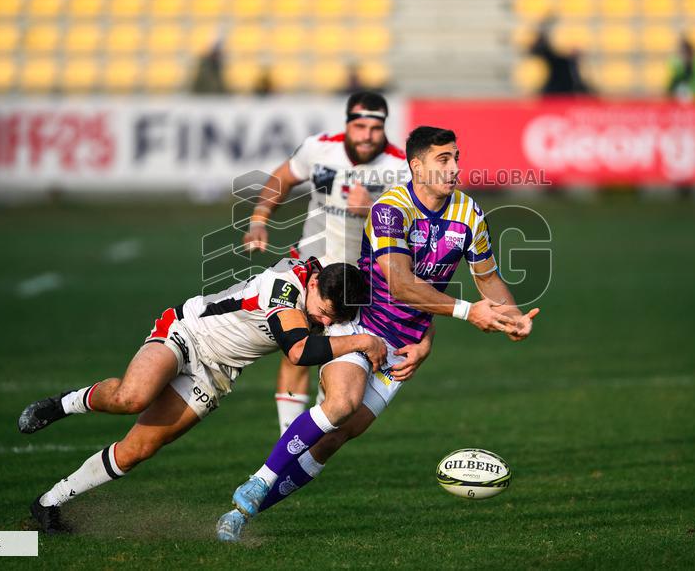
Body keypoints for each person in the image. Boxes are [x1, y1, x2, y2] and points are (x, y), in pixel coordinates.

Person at [216, 126, 539, 541]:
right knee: (342, 403)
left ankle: (243, 514)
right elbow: (401, 284)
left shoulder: (470, 215)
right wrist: (465, 311)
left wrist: (513, 317)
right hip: (361, 325)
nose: (455, 167)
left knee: (334, 441)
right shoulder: (391, 209)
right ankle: (259, 481)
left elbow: (488, 278)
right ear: (416, 165)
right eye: (444, 160)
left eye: (457, 157)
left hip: (403, 349)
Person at [17, 257, 390, 534]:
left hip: (216, 374)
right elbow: (297, 353)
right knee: (132, 397)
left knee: (137, 451)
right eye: (324, 313)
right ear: (313, 285)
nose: (325, 322)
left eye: (331, 318)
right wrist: (363, 341)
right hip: (189, 332)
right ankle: (63, 404)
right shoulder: (286, 288)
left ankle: (50, 502)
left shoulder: (323, 290)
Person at [243, 91, 410, 434]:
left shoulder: (399, 168)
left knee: (345, 366)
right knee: (296, 349)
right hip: (311, 269)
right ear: (348, 123)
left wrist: (374, 212)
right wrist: (259, 218)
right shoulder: (319, 148)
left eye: (375, 128)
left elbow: (415, 228)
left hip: (361, 281)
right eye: (360, 125)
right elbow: (283, 177)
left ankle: (313, 437)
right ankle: (288, 439)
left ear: (385, 128)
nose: (367, 134)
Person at [527, 16, 592, 96]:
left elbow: (579, 83)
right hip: (554, 93)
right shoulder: (551, 57)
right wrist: (543, 27)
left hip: (568, 95)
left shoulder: (572, 62)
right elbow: (534, 50)